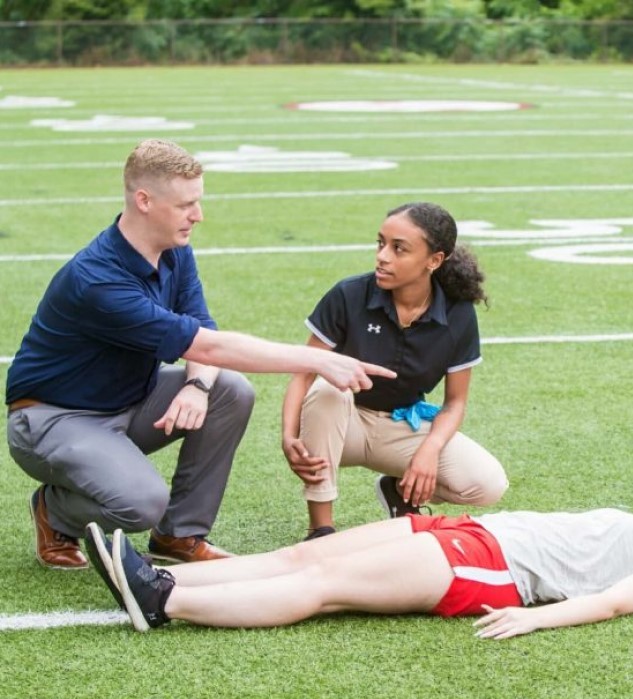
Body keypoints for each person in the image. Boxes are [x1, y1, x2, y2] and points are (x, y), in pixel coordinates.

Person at [5, 139, 395, 571]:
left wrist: (195, 385)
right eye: (186, 204)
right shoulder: (97, 280)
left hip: (126, 401)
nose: (198, 215)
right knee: (141, 504)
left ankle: (180, 534)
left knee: (228, 390)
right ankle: (55, 512)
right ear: (144, 200)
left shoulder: (175, 251)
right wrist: (318, 359)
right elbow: (207, 345)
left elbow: (202, 330)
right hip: (52, 419)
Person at [85, 502, 633, 636]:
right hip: (469, 533)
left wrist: (533, 618)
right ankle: (146, 573)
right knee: (303, 555)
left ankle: (165, 603)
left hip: (486, 566)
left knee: (323, 589)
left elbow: (615, 603)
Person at [281, 201, 507, 541]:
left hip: (401, 427)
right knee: (329, 389)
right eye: (380, 243)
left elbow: (455, 403)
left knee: (487, 484)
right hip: (340, 425)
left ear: (434, 261)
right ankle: (321, 528)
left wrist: (428, 452)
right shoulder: (349, 294)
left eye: (399, 249)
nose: (383, 256)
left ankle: (400, 491)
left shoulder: (458, 314)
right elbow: (304, 372)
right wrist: (288, 435)